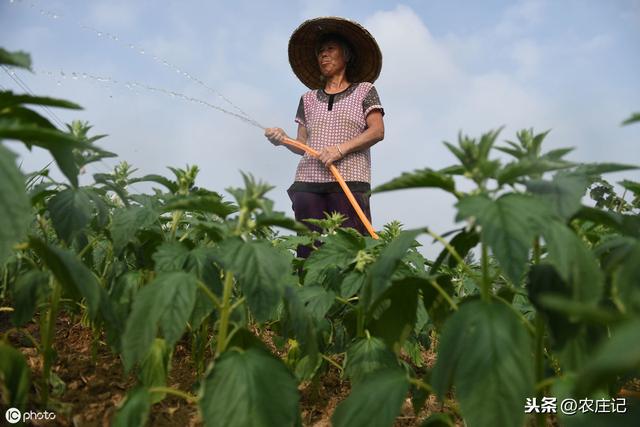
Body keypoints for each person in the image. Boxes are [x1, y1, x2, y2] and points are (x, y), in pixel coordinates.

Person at [265, 17, 385, 257]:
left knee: (351, 248)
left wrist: (339, 150)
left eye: (330, 49)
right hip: (308, 183)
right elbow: (302, 146)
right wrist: (283, 138)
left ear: (347, 55)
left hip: (349, 181)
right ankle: (309, 293)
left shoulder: (365, 90)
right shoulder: (307, 99)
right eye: (320, 52)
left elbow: (377, 131)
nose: (324, 55)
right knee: (308, 248)